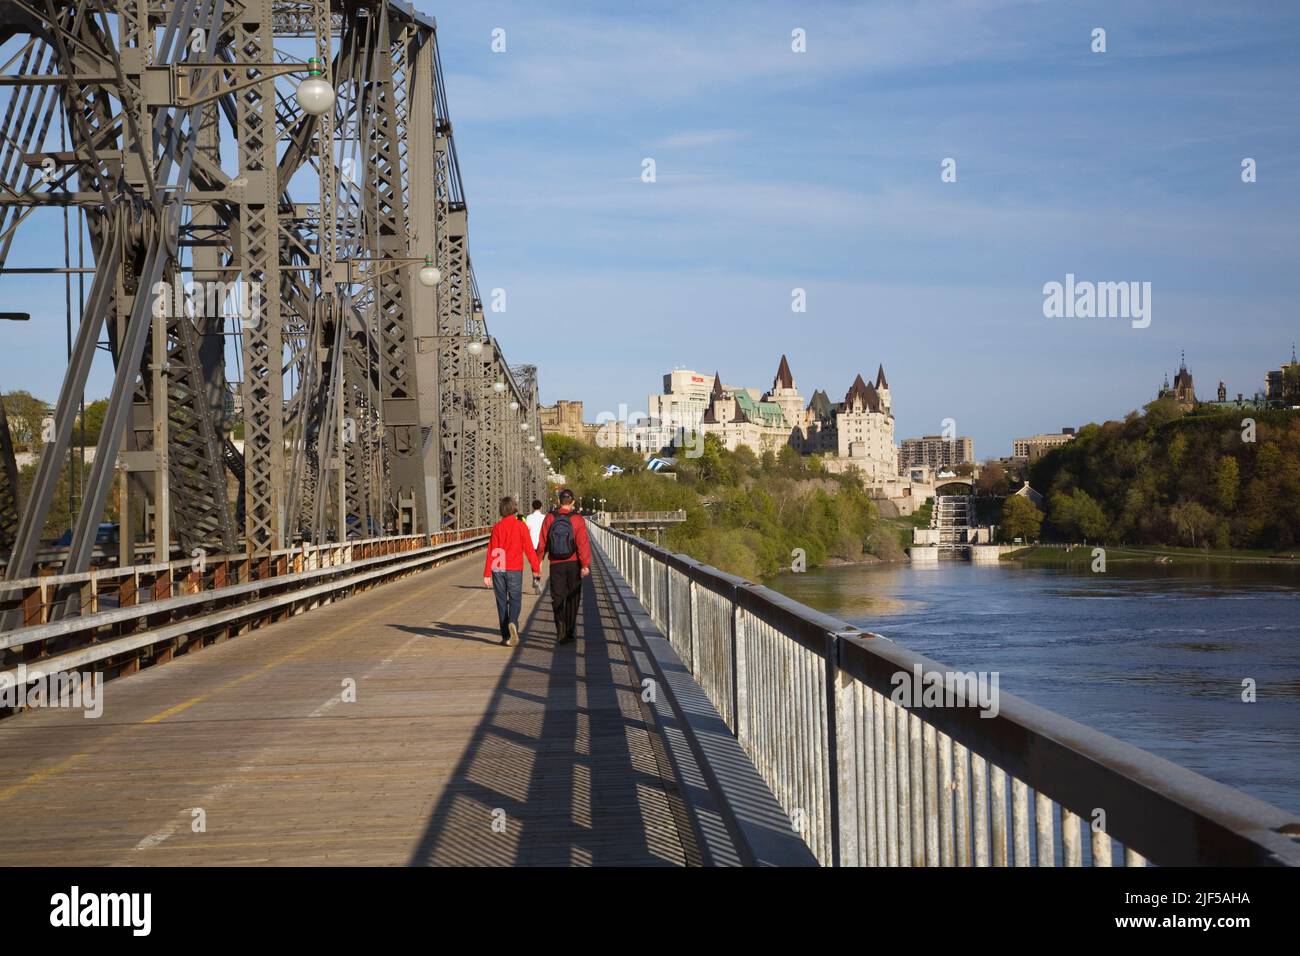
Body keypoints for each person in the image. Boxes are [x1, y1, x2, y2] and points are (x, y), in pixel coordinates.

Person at [483, 495, 540, 647]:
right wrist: (536, 569)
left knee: (501, 602)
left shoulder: (497, 527)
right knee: (515, 599)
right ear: (514, 508)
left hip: (498, 566)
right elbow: (529, 549)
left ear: (501, 510)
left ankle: (505, 636)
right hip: (514, 568)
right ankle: (513, 622)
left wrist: (487, 574)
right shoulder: (520, 526)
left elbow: (491, 550)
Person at [538, 488, 590, 645]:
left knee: (558, 596)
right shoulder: (577, 519)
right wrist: (585, 564)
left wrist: (538, 560)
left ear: (559, 501)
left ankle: (560, 627)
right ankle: (569, 630)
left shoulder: (550, 517)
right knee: (573, 597)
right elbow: (582, 543)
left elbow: (542, 541)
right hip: (574, 563)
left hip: (555, 564)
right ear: (573, 502)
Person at [524, 499, 546, 594]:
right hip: (541, 543)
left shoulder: (528, 517)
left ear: (533, 507)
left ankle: (534, 578)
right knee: (540, 563)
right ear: (541, 507)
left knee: (533, 563)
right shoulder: (544, 517)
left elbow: (527, 530)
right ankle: (538, 580)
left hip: (531, 543)